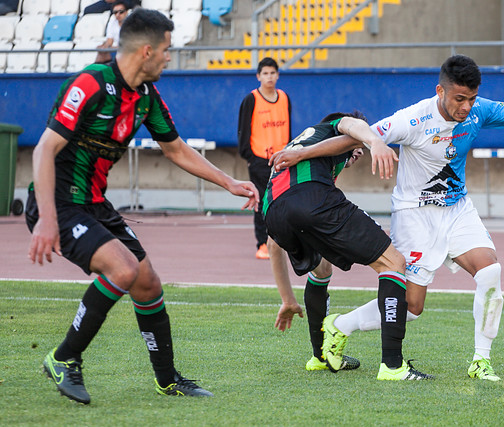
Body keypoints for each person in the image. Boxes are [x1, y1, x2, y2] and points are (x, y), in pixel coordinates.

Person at [270, 54, 504, 382]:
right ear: (440, 90)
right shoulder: (413, 120)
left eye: (471, 98)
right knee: (411, 308)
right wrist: (302, 153)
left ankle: (480, 361)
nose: (466, 107)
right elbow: (357, 136)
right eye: (459, 99)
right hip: (415, 216)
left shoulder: (480, 109)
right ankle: (339, 326)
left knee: (490, 271)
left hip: (458, 210)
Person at [26, 8, 259, 404]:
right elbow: (45, 148)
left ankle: (167, 379)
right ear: (147, 51)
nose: (170, 57)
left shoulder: (147, 96)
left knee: (147, 283)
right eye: (167, 50)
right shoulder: (90, 83)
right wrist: (47, 218)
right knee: (123, 268)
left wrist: (229, 182)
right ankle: (63, 357)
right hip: (60, 204)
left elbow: (176, 149)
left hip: (96, 205)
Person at [264, 111, 432, 381]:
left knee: (321, 269)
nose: (359, 152)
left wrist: (287, 298)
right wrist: (374, 141)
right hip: (311, 199)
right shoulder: (329, 128)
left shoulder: (297, 149)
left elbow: (273, 244)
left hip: (272, 212)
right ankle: (392, 366)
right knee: (393, 263)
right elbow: (351, 124)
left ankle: (320, 357)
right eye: (356, 147)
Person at [237, 57, 291, 260]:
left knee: (283, 201)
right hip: (260, 159)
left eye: (272, 73)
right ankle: (262, 243)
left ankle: (281, 241)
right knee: (261, 202)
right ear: (258, 76)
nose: (269, 77)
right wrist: (249, 156)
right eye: (265, 73)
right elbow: (243, 130)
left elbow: (287, 127)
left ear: (278, 75)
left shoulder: (284, 98)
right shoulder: (251, 99)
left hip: (282, 159)